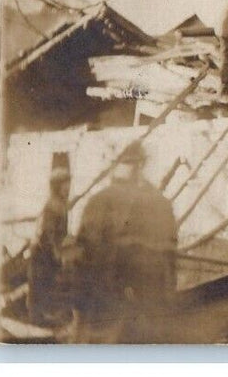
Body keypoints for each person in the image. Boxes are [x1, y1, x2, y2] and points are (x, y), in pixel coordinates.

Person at [71, 141, 177, 343]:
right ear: (142, 165)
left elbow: (84, 250)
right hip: (147, 297)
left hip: (107, 293)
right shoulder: (160, 202)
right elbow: (170, 255)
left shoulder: (100, 200)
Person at [27, 152, 71, 326]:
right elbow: (49, 234)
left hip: (47, 250)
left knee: (46, 281)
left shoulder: (60, 204)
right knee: (40, 282)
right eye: (65, 184)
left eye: (68, 184)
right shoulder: (53, 205)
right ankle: (37, 318)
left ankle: (42, 315)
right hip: (42, 251)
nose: (67, 188)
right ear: (57, 186)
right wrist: (55, 253)